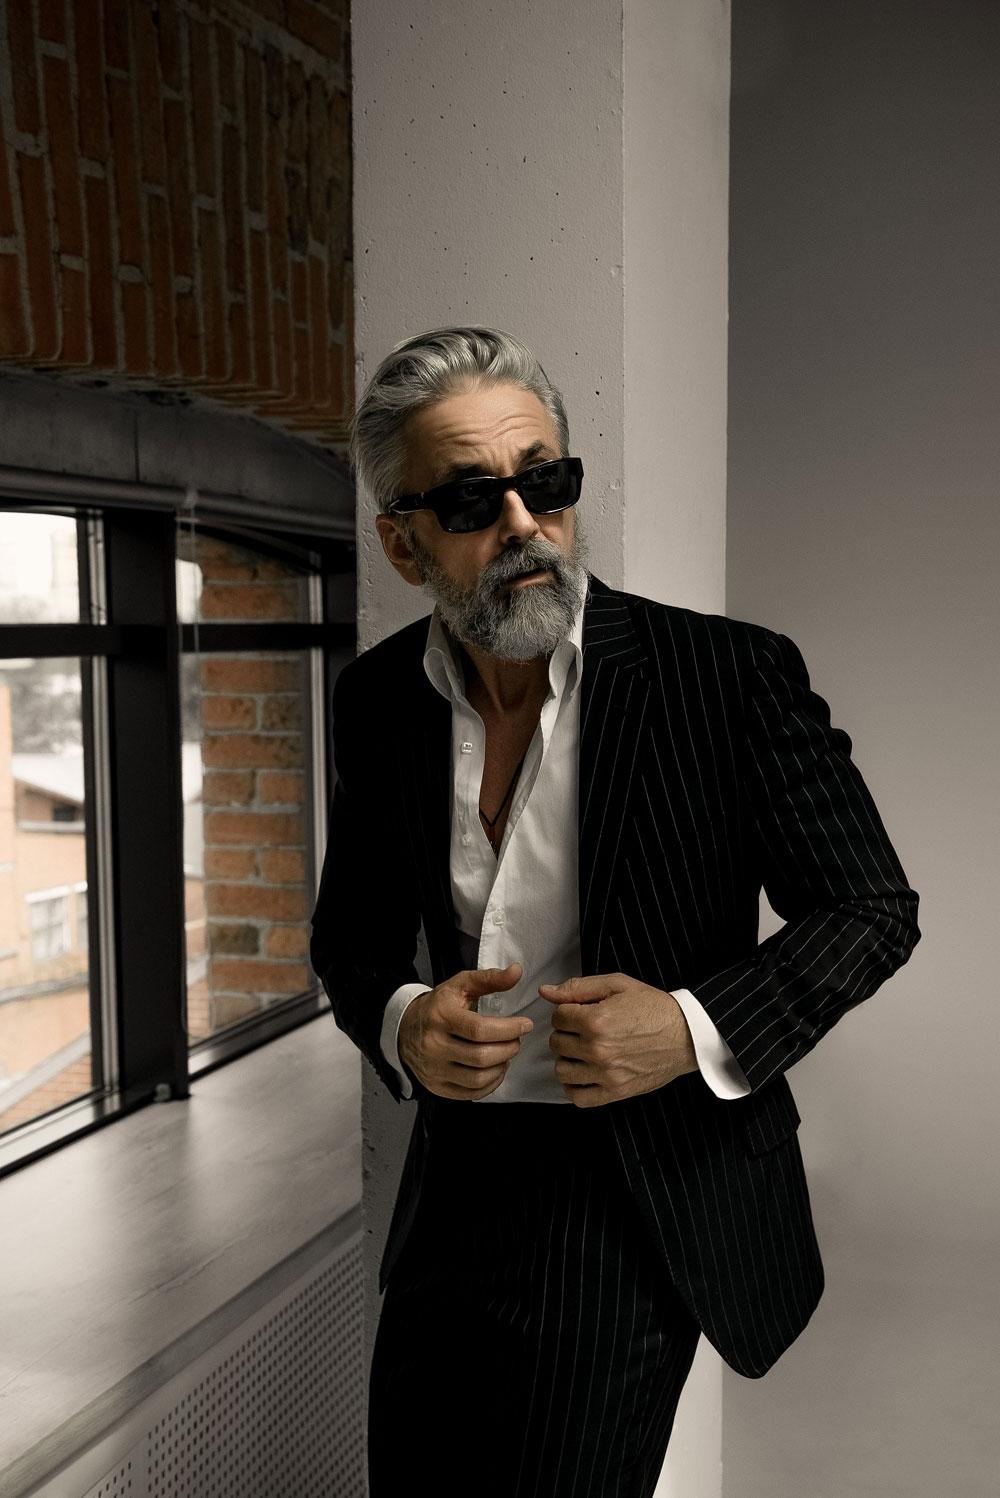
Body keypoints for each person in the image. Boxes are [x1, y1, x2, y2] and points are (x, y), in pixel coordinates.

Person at [309, 326, 921, 1498]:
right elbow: (351, 939)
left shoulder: (726, 677)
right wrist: (402, 1020)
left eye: (544, 482)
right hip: (452, 1190)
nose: (523, 525)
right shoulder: (377, 698)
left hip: (631, 1194)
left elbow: (868, 906)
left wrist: (689, 1026)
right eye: (471, 500)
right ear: (400, 540)